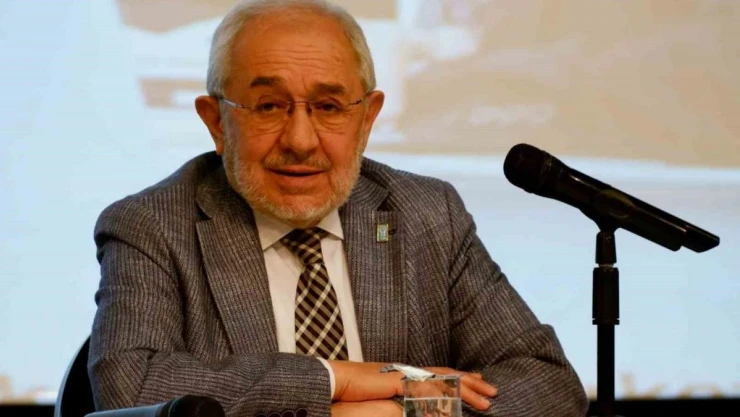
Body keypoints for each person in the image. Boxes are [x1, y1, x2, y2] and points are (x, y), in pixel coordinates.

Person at [87, 0, 589, 416]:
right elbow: (130, 388)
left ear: (367, 119)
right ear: (216, 122)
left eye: (328, 107)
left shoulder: (428, 213)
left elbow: (548, 385)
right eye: (268, 106)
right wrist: (336, 380)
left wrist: (399, 412)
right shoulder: (152, 225)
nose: (301, 141)